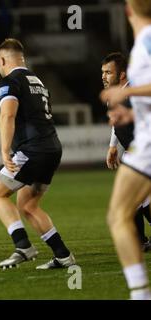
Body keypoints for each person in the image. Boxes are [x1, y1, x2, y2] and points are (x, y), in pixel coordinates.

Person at [0, 38, 76, 270]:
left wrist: (5, 150)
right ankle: (63, 255)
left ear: (2, 60)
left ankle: (23, 246)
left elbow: (7, 115)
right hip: (52, 149)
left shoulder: (10, 81)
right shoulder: (37, 81)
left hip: (31, 150)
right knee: (28, 206)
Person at [99, 0, 151, 300]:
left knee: (119, 215)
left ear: (129, 11)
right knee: (124, 212)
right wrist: (130, 115)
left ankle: (140, 294)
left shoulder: (145, 42)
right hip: (140, 144)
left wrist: (127, 92)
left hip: (146, 146)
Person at [101, 52, 151, 251]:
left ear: (122, 75)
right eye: (102, 72)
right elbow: (117, 123)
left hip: (145, 152)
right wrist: (113, 145)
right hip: (134, 152)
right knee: (137, 200)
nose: (104, 76)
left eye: (108, 72)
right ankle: (140, 240)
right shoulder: (116, 94)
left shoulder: (133, 93)